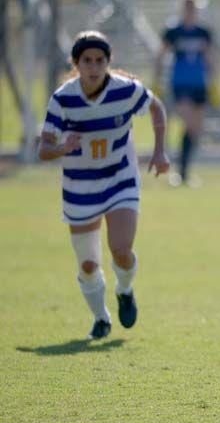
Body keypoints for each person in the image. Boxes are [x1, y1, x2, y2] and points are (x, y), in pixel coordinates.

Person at [39, 31, 170, 339]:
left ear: (109, 62)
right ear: (76, 63)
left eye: (100, 60)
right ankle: (101, 318)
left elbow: (156, 106)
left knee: (121, 251)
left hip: (119, 179)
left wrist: (160, 149)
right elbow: (43, 150)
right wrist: (62, 147)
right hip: (79, 187)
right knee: (87, 264)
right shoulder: (63, 99)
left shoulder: (125, 91)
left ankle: (125, 290)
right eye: (87, 61)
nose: (94, 67)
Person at [154, 0, 220, 187]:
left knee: (196, 130)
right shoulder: (174, 31)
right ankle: (181, 172)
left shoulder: (203, 32)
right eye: (187, 8)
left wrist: (215, 83)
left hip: (199, 85)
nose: (190, 12)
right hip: (180, 84)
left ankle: (184, 172)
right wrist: (157, 79)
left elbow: (210, 56)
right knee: (189, 124)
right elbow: (161, 55)